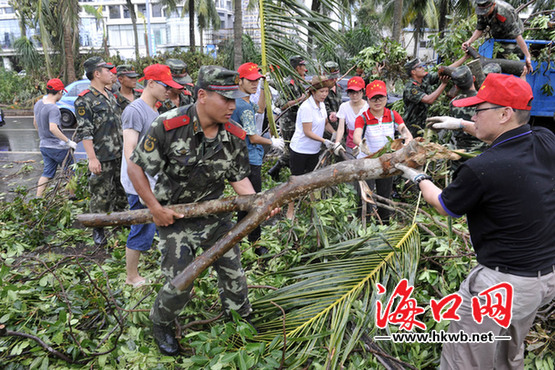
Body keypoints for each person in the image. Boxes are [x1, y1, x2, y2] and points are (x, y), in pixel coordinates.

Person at [396, 73, 555, 369]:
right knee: (507, 352)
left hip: (501, 283)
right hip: (541, 280)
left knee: (465, 358)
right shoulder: (546, 141)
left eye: (479, 110)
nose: (472, 115)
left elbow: (444, 205)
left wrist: (418, 176)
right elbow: (508, 137)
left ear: (505, 113)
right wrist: (461, 125)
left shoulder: (481, 169)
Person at [127, 66, 274, 356]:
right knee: (180, 282)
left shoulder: (233, 134)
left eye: (235, 99)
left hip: (217, 219)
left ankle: (240, 320)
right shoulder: (168, 125)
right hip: (176, 219)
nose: (233, 105)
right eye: (226, 99)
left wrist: (260, 203)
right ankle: (162, 323)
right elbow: (135, 166)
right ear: (203, 96)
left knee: (234, 276)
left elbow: (238, 179)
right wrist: (155, 209)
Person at [120, 64, 182, 287]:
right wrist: (139, 184)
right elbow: (130, 150)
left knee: (152, 226)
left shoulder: (153, 110)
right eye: (165, 86)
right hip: (139, 183)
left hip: (152, 180)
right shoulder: (134, 110)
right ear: (151, 83)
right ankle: (131, 277)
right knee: (142, 227)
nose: (169, 91)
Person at [231, 62, 285, 253]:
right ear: (240, 80)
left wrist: (263, 90)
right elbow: (253, 137)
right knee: (254, 205)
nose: (254, 84)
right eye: (252, 81)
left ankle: (239, 241)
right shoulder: (243, 107)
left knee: (244, 204)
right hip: (249, 159)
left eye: (257, 81)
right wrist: (272, 142)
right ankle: (256, 244)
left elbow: (260, 110)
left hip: (243, 158)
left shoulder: (241, 102)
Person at [74, 56, 127, 246]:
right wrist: (92, 158)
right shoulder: (85, 100)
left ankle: (123, 224)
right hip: (102, 155)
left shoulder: (111, 95)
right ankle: (98, 229)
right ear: (96, 73)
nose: (111, 73)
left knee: (122, 190)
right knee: (101, 194)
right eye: (107, 70)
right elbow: (85, 131)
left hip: (119, 153)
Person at [353, 80, 412, 222]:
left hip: (386, 162)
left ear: (386, 98)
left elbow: (404, 129)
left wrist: (407, 140)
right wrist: (361, 144)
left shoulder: (392, 115)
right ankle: (364, 224)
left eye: (381, 97)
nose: (377, 101)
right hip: (366, 162)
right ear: (368, 99)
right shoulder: (363, 118)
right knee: (364, 196)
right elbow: (356, 135)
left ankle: (384, 223)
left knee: (385, 195)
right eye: (373, 98)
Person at [287, 75, 336, 218]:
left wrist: (334, 134)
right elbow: (307, 132)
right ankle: (290, 210)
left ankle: (311, 206)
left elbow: (325, 123)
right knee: (295, 181)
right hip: (300, 149)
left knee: (311, 179)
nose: (324, 94)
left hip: (313, 150)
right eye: (321, 91)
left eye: (326, 91)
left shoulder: (321, 106)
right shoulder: (307, 107)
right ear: (313, 92)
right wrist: (324, 141)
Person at [402, 56, 467, 137]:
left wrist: (465, 57)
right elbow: (429, 100)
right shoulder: (410, 88)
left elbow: (446, 70)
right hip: (412, 126)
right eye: (420, 67)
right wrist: (444, 84)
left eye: (423, 66)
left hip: (423, 123)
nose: (423, 68)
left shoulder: (425, 78)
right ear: (413, 72)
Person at [33, 78, 77, 197]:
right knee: (70, 170)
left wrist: (43, 136)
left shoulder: (38, 104)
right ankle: (72, 197)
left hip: (44, 146)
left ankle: (38, 198)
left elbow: (35, 123)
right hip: (58, 147)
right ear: (59, 92)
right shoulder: (53, 108)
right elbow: (53, 128)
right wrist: (68, 142)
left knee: (47, 173)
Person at [463, 0, 533, 74]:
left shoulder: (504, 11)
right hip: (497, 33)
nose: (483, 14)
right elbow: (480, 29)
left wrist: (528, 56)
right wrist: (469, 41)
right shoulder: (481, 10)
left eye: (486, 11)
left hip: (511, 35)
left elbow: (517, 35)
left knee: (506, 55)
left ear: (493, 5)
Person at [267, 55, 308, 180]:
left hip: (298, 121)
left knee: (295, 149)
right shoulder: (288, 84)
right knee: (291, 150)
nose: (305, 69)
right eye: (303, 66)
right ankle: (277, 171)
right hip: (289, 122)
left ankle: (280, 171)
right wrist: (300, 99)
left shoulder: (300, 82)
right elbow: (282, 105)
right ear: (297, 68)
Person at [334, 76, 368, 159]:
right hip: (350, 144)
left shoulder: (368, 107)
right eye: (351, 92)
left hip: (365, 143)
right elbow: (341, 128)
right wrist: (337, 142)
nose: (354, 95)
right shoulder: (344, 107)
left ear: (362, 92)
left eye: (357, 92)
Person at [323, 61, 343, 138]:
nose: (334, 80)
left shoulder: (338, 87)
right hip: (327, 129)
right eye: (331, 78)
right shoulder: (321, 90)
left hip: (339, 126)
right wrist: (330, 113)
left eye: (335, 77)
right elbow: (322, 107)